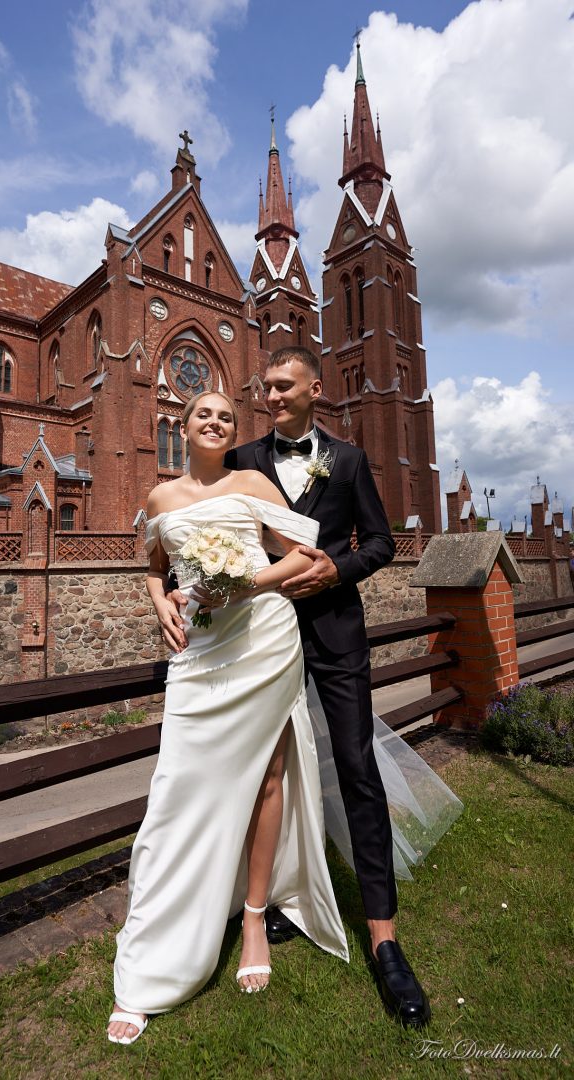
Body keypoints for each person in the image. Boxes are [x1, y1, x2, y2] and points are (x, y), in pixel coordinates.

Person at [107, 390, 351, 1044]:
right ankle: (152, 955)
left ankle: (251, 918)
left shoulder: (252, 480)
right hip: (202, 652)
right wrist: (159, 601)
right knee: (174, 791)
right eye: (202, 415)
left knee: (268, 779)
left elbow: (304, 553)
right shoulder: (160, 499)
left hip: (265, 642)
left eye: (224, 417)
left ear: (231, 431)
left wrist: (248, 585)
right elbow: (154, 564)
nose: (214, 422)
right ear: (182, 427)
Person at [220, 345, 433, 1026]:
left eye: (285, 387)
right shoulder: (243, 462)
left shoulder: (345, 459)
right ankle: (279, 897)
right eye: (266, 389)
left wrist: (334, 572)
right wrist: (165, 588)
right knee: (269, 772)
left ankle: (384, 939)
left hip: (337, 635)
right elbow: (212, 535)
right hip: (263, 637)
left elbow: (380, 541)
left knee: (353, 766)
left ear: (315, 388)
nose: (273, 397)